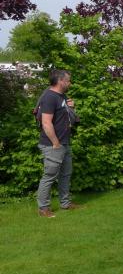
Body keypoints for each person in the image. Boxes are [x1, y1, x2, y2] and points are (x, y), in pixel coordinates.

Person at [36, 69, 80, 217]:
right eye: (68, 80)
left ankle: (65, 203)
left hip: (64, 142)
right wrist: (55, 143)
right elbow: (46, 123)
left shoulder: (62, 96)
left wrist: (71, 107)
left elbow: (68, 119)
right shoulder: (49, 97)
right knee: (49, 176)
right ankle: (43, 208)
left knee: (66, 174)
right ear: (60, 81)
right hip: (53, 144)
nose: (70, 83)